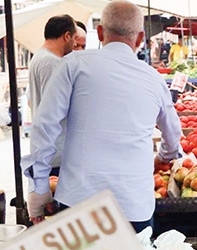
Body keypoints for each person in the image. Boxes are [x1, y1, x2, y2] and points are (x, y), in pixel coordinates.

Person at [21, 1, 183, 232]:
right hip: (134, 206)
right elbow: (173, 137)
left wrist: (39, 189)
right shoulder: (154, 79)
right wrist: (162, 157)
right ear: (139, 39)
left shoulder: (72, 65)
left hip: (79, 201)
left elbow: (45, 126)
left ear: (99, 32)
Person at [27, 14, 77, 177]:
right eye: (74, 38)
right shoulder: (52, 63)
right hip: (56, 152)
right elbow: (56, 108)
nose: (75, 44)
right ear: (66, 36)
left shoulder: (40, 57)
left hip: (48, 149)